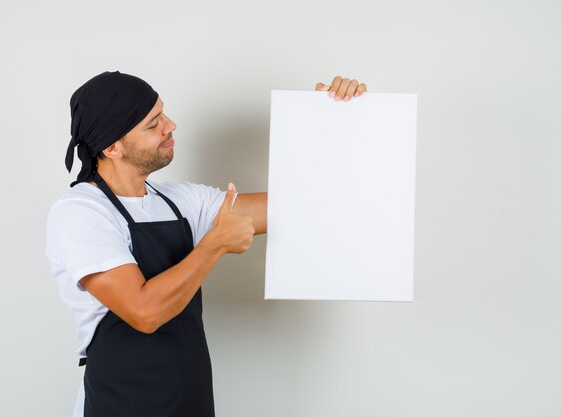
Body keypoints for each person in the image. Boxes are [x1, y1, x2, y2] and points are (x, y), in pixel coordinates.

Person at [45, 71, 367, 417]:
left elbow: (299, 208)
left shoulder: (179, 200)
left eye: (163, 113)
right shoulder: (81, 213)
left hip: (188, 398)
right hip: (120, 403)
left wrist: (327, 120)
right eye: (153, 125)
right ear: (112, 147)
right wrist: (213, 245)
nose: (171, 125)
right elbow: (144, 312)